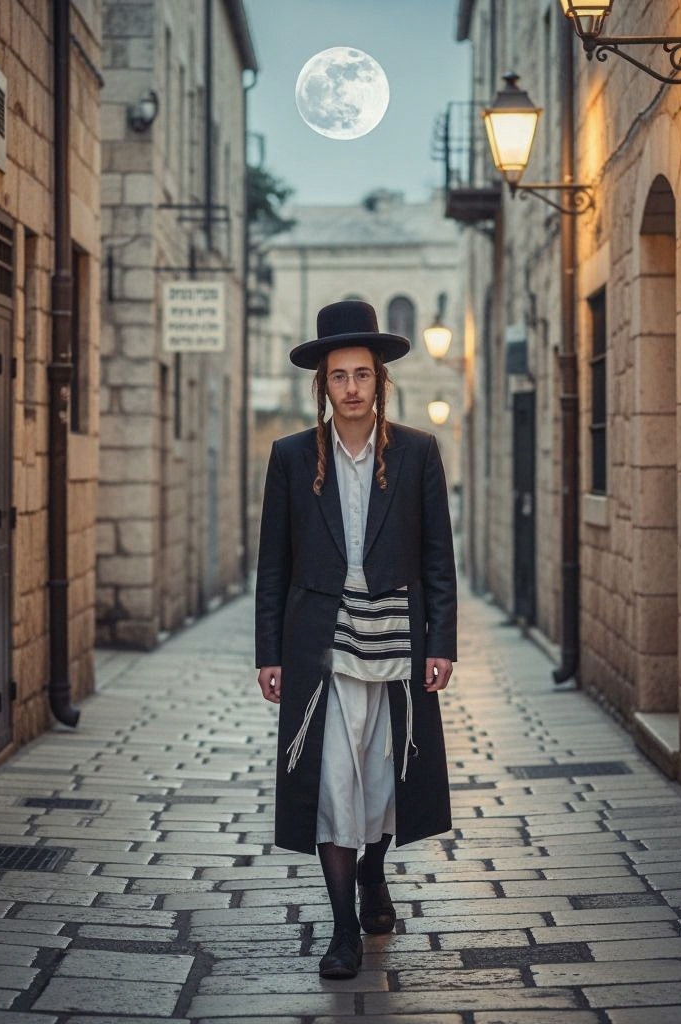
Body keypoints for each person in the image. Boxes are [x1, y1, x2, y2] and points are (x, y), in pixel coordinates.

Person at [255, 299, 457, 979]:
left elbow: (438, 555)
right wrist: (269, 655)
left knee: (386, 786)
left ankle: (374, 871)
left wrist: (441, 644)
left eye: (361, 375)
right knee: (334, 787)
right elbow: (273, 565)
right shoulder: (289, 458)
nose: (350, 388)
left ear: (378, 381)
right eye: (338, 376)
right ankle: (343, 929)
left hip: (397, 646)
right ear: (323, 385)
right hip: (322, 648)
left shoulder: (417, 453)